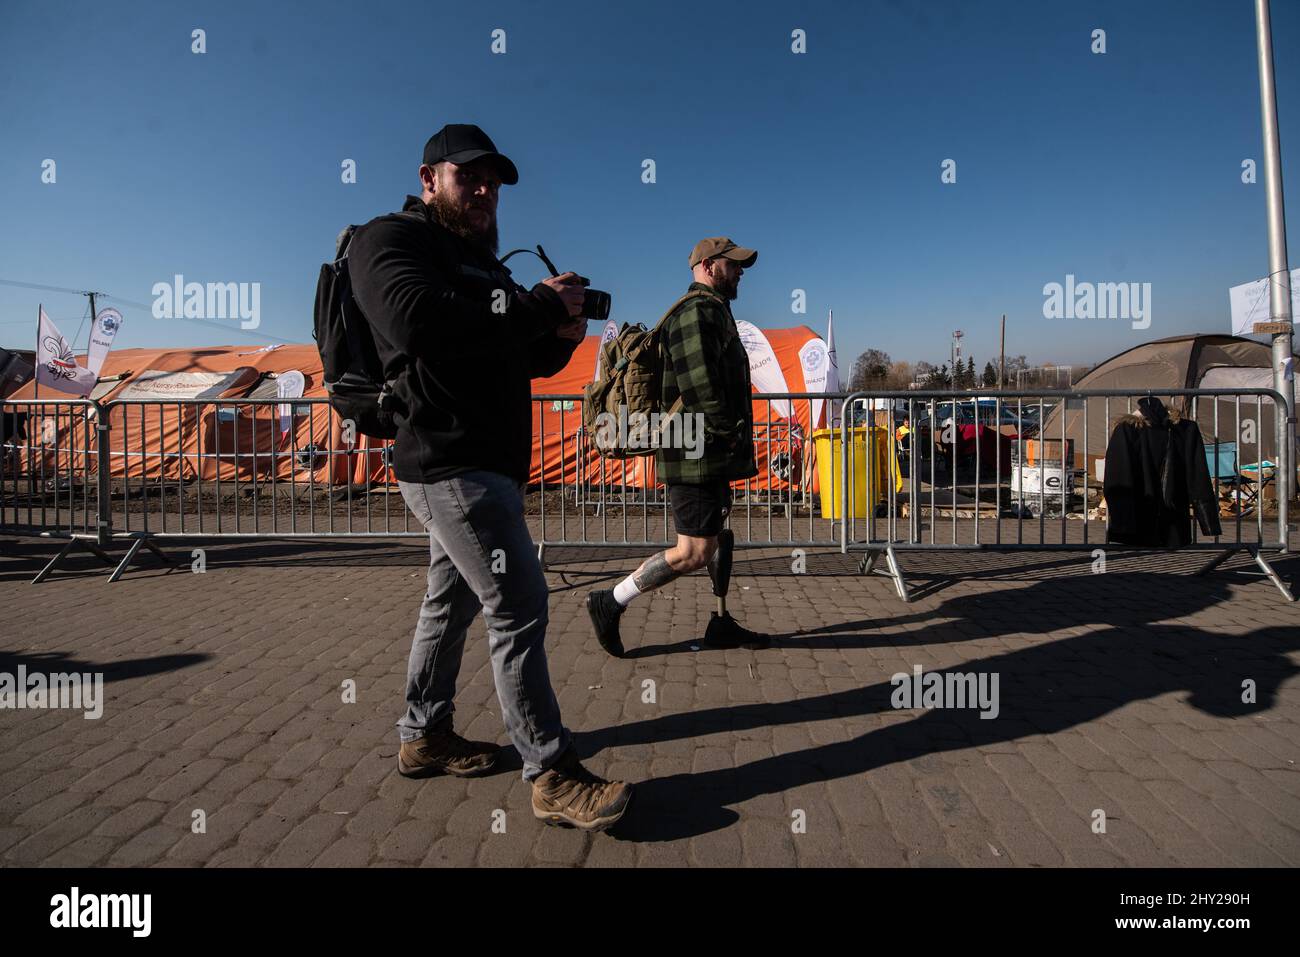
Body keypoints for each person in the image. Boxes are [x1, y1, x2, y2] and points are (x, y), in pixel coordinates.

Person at [348, 123, 631, 831]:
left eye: (493, 182)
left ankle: (424, 733)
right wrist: (532, 308)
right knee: (519, 599)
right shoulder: (390, 242)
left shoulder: (483, 266)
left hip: (487, 464)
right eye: (468, 176)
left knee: (449, 603)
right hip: (448, 460)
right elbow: (418, 322)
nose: (483, 191)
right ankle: (552, 771)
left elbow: (509, 354)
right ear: (427, 178)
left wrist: (553, 336)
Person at [585, 237, 768, 656]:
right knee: (694, 551)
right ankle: (610, 602)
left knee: (718, 536)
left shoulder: (714, 311)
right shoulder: (697, 311)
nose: (741, 272)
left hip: (709, 453)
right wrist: (732, 430)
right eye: (733, 264)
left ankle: (721, 624)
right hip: (695, 454)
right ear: (707, 266)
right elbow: (698, 383)